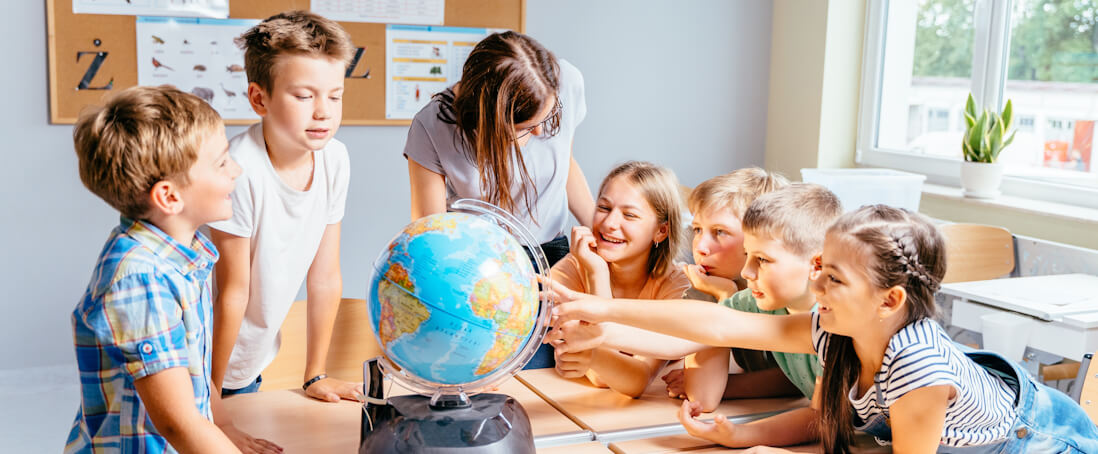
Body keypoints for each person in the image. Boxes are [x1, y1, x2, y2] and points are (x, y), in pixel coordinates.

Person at [552, 205, 1098, 452]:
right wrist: (601, 311)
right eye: (818, 270)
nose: (816, 290)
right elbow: (719, 322)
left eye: (832, 277)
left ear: (889, 300)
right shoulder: (835, 329)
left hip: (1045, 440)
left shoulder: (918, 372)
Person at [66, 85, 278, 453]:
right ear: (169, 197)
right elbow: (178, 422)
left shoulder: (182, 255)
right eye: (222, 162)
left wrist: (224, 426)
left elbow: (192, 367)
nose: (237, 170)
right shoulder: (140, 279)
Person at [550, 184, 841, 448]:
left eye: (762, 260)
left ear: (816, 264)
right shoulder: (758, 302)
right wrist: (602, 330)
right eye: (748, 256)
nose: (747, 272)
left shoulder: (836, 322)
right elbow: (697, 331)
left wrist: (742, 436)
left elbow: (823, 419)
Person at [403, 30, 594, 369]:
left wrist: (600, 227)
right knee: (485, 376)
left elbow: (564, 162)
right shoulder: (433, 126)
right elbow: (429, 231)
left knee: (555, 376)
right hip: (479, 273)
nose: (539, 133)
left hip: (553, 262)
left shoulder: (566, 82)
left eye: (546, 119)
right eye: (525, 126)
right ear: (489, 120)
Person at [208, 10, 359, 402]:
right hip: (207, 361)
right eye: (305, 96)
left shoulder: (334, 159)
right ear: (260, 99)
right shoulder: (238, 170)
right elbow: (232, 293)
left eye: (335, 95)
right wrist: (210, 391)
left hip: (252, 359)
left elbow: (324, 277)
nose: (324, 110)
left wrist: (315, 375)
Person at [550, 161, 691, 397]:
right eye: (604, 208)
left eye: (630, 215)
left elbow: (636, 380)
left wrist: (592, 356)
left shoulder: (676, 285)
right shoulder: (569, 272)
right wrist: (597, 272)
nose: (609, 224)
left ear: (661, 231)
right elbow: (602, 378)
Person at [664, 168, 789, 399]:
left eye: (719, 232)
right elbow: (702, 395)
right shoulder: (712, 284)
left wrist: (729, 386)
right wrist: (723, 296)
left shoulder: (783, 294)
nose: (700, 247)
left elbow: (795, 381)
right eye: (698, 230)